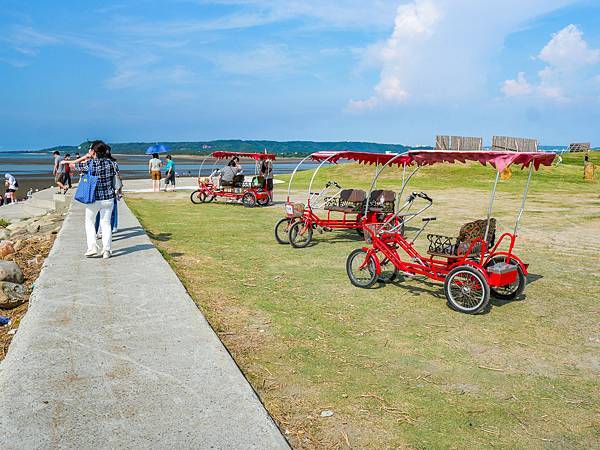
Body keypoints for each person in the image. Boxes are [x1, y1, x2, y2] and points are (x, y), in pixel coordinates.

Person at [67, 140, 117, 259]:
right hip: (108, 199)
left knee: (89, 222)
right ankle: (107, 250)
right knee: (106, 224)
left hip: (93, 199)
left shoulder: (89, 164)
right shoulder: (112, 164)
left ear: (93, 151)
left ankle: (92, 248)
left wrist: (86, 156)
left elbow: (72, 165)